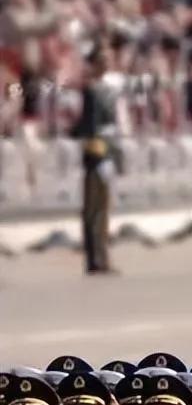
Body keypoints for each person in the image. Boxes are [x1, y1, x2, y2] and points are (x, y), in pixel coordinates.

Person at [73, 48, 119, 276]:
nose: (106, 64)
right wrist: (100, 156)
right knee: (93, 207)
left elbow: (112, 124)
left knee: (104, 206)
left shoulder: (109, 90)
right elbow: (89, 128)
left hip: (107, 150)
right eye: (102, 61)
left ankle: (102, 254)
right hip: (95, 154)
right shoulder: (90, 91)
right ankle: (94, 257)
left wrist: (113, 154)